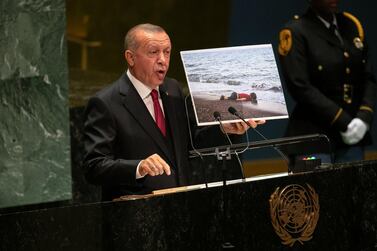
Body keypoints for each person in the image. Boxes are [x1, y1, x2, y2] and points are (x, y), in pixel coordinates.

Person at [83, 23, 264, 200]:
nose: (162, 59)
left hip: (179, 206)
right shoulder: (106, 102)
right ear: (130, 58)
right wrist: (139, 167)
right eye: (153, 52)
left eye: (167, 52)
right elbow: (94, 166)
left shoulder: (173, 89)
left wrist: (225, 128)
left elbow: (192, 142)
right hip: (135, 215)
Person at [278, 0, 376, 163]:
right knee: (315, 189)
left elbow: (368, 77)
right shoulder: (296, 30)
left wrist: (364, 117)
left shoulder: (351, 25)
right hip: (313, 136)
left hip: (354, 134)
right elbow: (299, 86)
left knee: (355, 188)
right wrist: (343, 121)